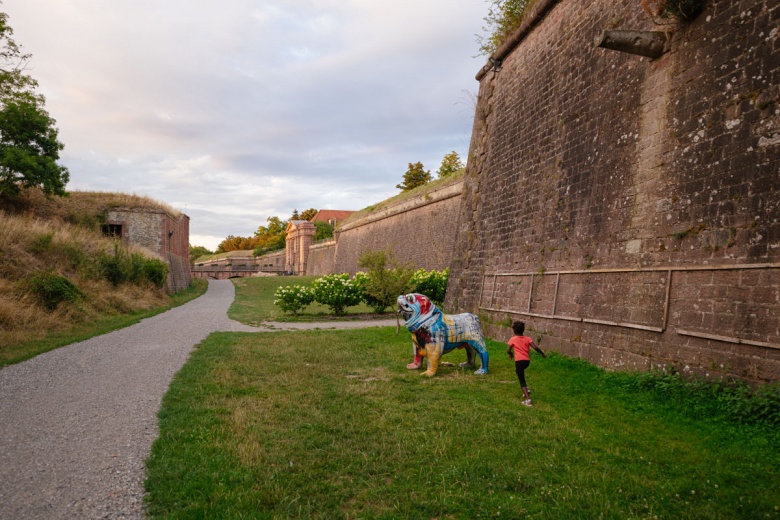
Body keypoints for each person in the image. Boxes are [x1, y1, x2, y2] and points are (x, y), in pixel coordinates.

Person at [507, 321, 546, 407]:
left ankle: (528, 399)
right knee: (518, 372)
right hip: (526, 361)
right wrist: (542, 353)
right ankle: (526, 391)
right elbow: (535, 347)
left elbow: (508, 350)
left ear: (514, 330)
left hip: (519, 362)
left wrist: (511, 354)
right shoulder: (528, 338)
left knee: (521, 380)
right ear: (523, 330)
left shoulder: (513, 339)